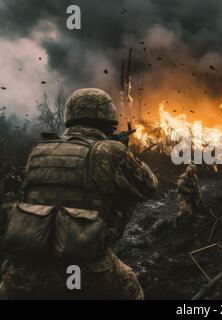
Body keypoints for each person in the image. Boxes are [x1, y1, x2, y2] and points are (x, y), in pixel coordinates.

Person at [0, 88, 158, 299]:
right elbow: (149, 187)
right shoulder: (109, 151)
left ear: (70, 117)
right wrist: (122, 153)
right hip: (80, 271)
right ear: (107, 119)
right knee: (131, 287)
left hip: (22, 271)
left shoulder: (39, 151)